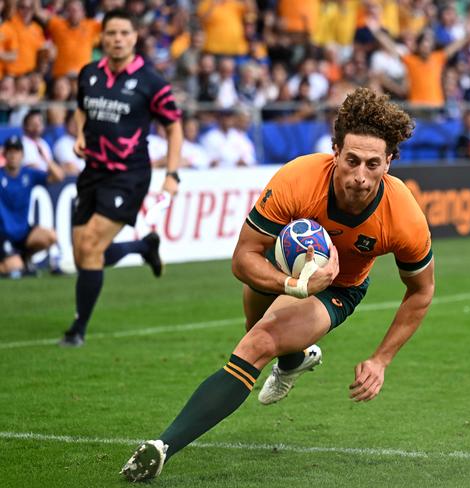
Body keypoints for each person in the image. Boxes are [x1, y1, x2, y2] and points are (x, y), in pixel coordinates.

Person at [120, 87, 435, 482]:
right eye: (351, 160)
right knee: (257, 331)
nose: (360, 176)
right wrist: (295, 284)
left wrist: (380, 359)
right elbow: (243, 258)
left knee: (256, 344)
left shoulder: (403, 215)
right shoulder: (299, 179)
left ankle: (161, 448)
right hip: (280, 268)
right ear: (335, 150)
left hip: (340, 289)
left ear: (389, 162)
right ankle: (294, 359)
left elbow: (421, 291)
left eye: (373, 164)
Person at [58, 9, 182, 347]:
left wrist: (171, 174)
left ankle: (77, 330)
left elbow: (173, 127)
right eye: (111, 33)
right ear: (102, 37)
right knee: (83, 253)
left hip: (129, 175)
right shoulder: (88, 74)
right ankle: (143, 246)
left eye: (124, 33)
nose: (117, 39)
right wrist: (80, 135)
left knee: (92, 246)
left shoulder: (151, 82)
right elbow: (82, 107)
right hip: (92, 172)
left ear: (134, 37)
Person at [0, 135, 64, 278]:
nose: (13, 155)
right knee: (15, 268)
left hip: (23, 231)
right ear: (4, 154)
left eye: (16, 151)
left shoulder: (28, 174)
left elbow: (59, 176)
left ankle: (24, 258)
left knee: (51, 236)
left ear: (22, 154)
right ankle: (16, 262)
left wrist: (46, 159)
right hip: (3, 233)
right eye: (9, 152)